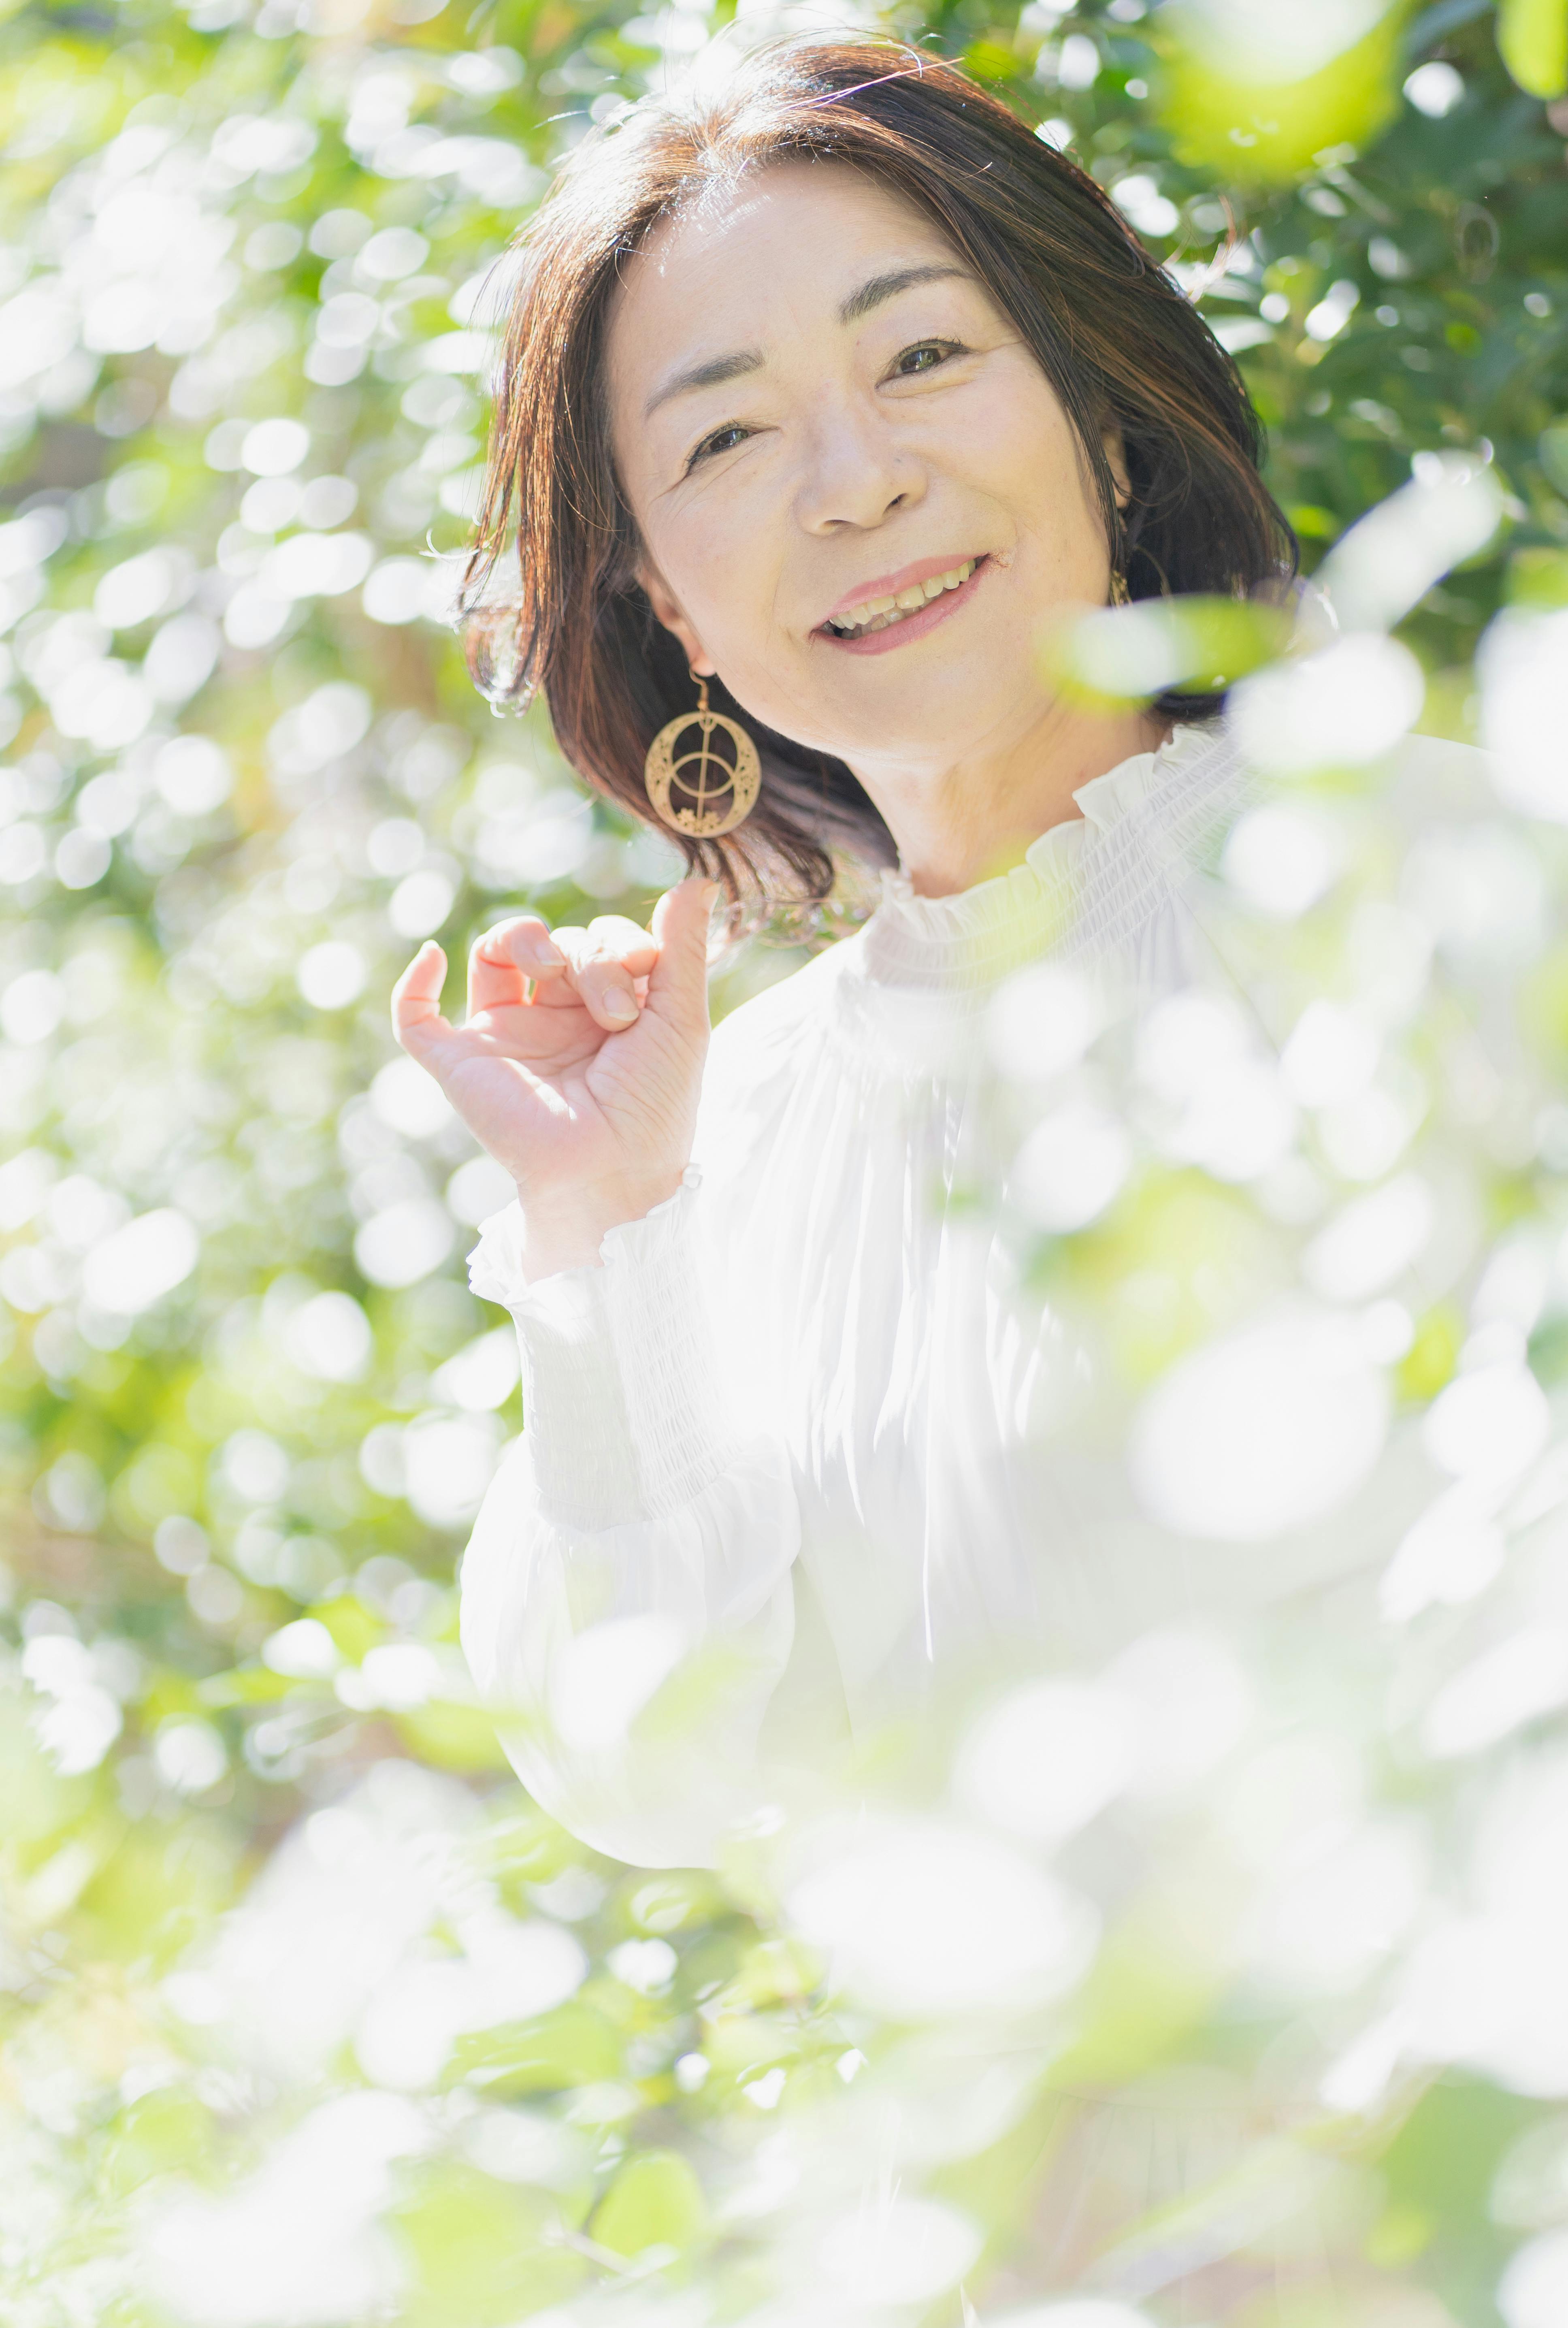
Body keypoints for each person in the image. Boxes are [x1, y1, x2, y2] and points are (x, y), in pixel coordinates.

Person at [391, 36, 1300, 1869]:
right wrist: (604, 1219)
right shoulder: (733, 1139)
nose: (855, 481)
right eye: (724, 437)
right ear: (667, 599)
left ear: (1104, 418)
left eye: (924, 358)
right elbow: (656, 1774)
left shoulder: (1431, 873)